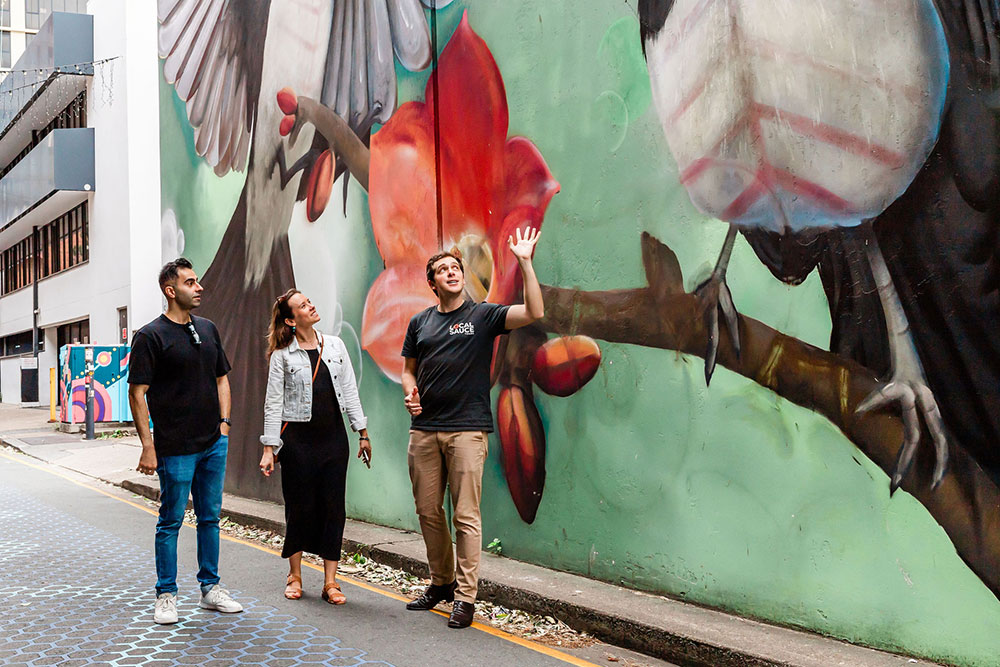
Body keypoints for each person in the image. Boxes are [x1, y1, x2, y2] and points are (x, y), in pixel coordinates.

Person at [401, 227, 544, 628]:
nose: (451, 272)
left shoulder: (483, 315)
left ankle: (465, 597)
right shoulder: (420, 323)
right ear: (432, 283)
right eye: (443, 269)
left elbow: (533, 312)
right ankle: (441, 583)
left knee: (465, 515)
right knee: (429, 511)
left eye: (455, 267)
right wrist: (410, 392)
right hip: (424, 429)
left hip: (467, 428)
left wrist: (525, 263)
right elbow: (408, 370)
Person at [128, 258, 243, 625]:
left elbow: (222, 378)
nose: (200, 287)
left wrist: (224, 425)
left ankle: (210, 589)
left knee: (210, 517)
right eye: (191, 282)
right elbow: (137, 392)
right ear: (170, 290)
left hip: (213, 442)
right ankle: (166, 594)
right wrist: (149, 444)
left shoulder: (208, 329)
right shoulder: (151, 336)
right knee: (171, 519)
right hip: (175, 447)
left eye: (198, 281)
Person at [259, 289, 372, 604]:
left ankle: (331, 581)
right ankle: (294, 575)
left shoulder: (334, 345)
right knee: (299, 506)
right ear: (291, 320)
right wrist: (270, 448)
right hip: (297, 441)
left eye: (309, 301)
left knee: (334, 506)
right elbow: (273, 404)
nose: (311, 305)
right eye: (302, 305)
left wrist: (361, 431)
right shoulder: (282, 355)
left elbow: (349, 389)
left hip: (334, 439)